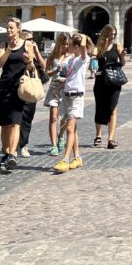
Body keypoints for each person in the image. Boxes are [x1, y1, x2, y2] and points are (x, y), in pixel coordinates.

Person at [0, 18, 32, 173]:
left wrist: (29, 60)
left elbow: (31, 65)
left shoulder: (27, 44)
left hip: (19, 88)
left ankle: (12, 154)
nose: (9, 31)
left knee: (15, 122)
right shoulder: (3, 45)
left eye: (11, 28)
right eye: (7, 28)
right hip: (4, 87)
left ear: (18, 29)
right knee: (4, 124)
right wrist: (8, 50)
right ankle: (5, 153)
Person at [53, 33, 90, 172]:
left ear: (76, 46)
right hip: (67, 96)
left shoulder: (82, 59)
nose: (66, 46)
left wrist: (81, 36)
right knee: (72, 129)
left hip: (76, 97)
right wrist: (58, 89)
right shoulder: (70, 61)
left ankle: (65, 160)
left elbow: (83, 45)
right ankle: (77, 157)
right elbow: (68, 78)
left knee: (69, 128)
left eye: (69, 44)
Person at [93, 24, 126, 149]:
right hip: (101, 81)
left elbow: (122, 64)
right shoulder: (99, 47)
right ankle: (98, 135)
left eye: (114, 35)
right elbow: (93, 62)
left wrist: (122, 56)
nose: (113, 37)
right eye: (111, 34)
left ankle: (111, 139)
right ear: (105, 34)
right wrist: (94, 68)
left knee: (113, 109)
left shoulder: (118, 46)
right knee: (100, 108)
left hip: (114, 81)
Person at [17, 31, 47, 157]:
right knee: (16, 119)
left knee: (27, 119)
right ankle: (13, 145)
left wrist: (36, 52)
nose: (32, 41)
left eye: (33, 39)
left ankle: (23, 144)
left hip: (31, 91)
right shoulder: (18, 54)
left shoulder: (34, 54)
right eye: (30, 39)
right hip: (19, 89)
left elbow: (45, 67)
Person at [43, 32, 71, 156]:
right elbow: (46, 73)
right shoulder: (53, 56)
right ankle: (54, 145)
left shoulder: (71, 56)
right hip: (54, 87)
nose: (66, 46)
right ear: (59, 43)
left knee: (66, 117)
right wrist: (55, 70)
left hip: (66, 88)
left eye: (67, 44)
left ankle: (61, 136)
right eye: (64, 44)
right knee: (53, 117)